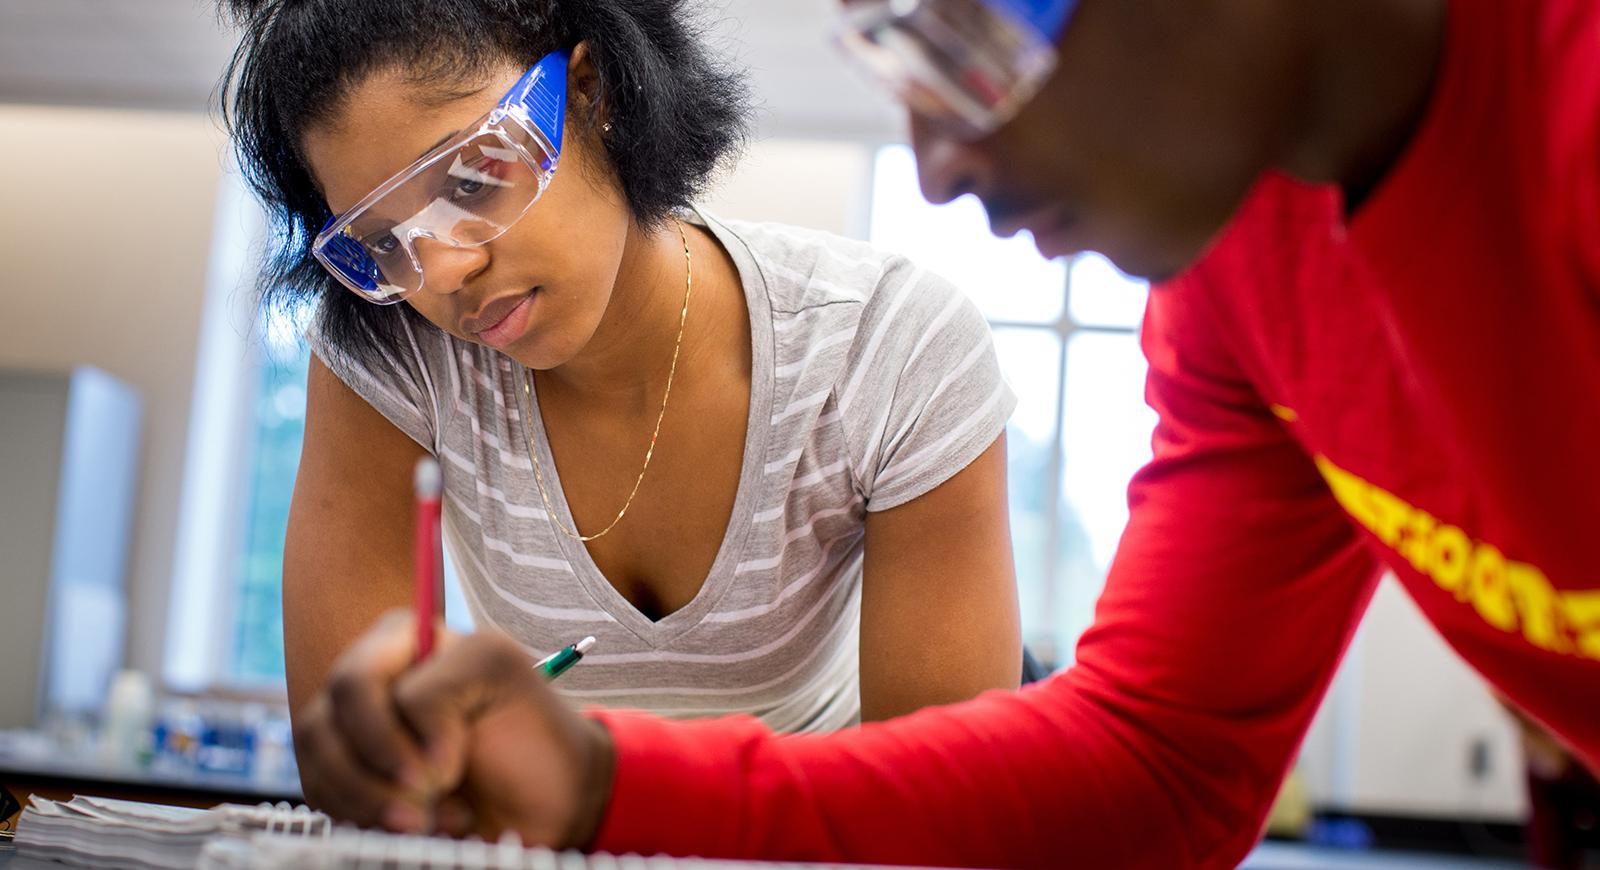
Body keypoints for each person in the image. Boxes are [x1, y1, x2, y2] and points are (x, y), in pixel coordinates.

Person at [286, 0, 1600, 866]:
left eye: (965, 32)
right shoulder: (1236, 279)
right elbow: (1160, 759)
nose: (936, 165)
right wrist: (599, 781)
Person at [219, 0, 1032, 817]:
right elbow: (363, 779)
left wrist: (607, 792)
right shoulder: (395, 349)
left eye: (470, 180)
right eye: (384, 240)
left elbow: (939, 811)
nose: (442, 273)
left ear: (591, 92)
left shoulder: (885, 345)